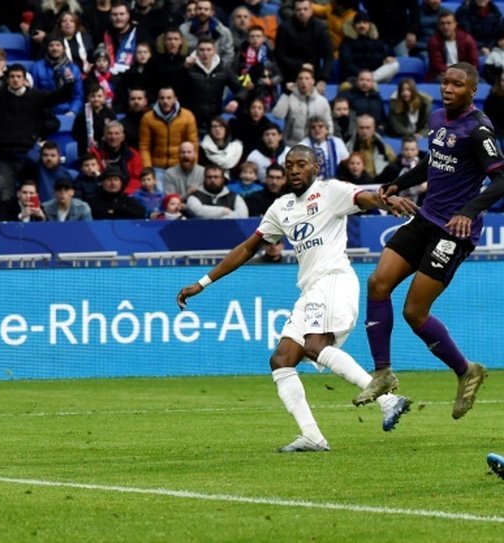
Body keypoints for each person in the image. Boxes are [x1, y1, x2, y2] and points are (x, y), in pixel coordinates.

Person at [176, 145, 415, 452]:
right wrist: (203, 282)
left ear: (316, 168)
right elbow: (248, 248)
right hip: (311, 288)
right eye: (290, 165)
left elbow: (363, 197)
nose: (294, 170)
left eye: (302, 164)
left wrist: (385, 200)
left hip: (334, 280)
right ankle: (313, 436)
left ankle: (388, 400)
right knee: (281, 359)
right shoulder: (281, 207)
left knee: (316, 346)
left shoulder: (331, 191)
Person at [354, 63, 500, 419]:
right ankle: (383, 373)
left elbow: (500, 180)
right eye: (445, 82)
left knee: (414, 312)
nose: (448, 88)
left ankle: (467, 370)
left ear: (472, 91)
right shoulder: (437, 119)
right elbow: (433, 164)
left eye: (457, 84)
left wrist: (468, 210)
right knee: (377, 283)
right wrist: (398, 183)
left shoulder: (478, 130)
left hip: (454, 230)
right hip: (425, 217)